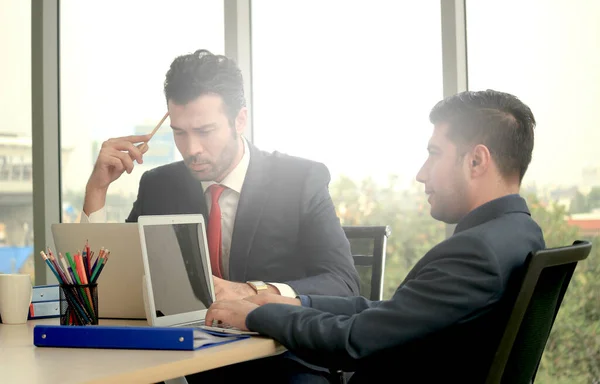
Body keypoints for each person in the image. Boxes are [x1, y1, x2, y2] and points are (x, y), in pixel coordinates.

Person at [205, 89, 546, 383]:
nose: (421, 174)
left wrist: (252, 315)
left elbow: (355, 341)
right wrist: (299, 302)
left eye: (434, 153)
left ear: (476, 161)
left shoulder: (477, 253)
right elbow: (393, 315)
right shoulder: (520, 234)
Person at [81, 49, 359, 301]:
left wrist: (251, 291)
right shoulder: (159, 186)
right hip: (186, 347)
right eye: (179, 132)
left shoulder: (300, 181)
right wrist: (97, 189)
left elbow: (343, 283)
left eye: (205, 131)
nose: (191, 149)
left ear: (240, 120)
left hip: (272, 349)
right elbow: (111, 281)